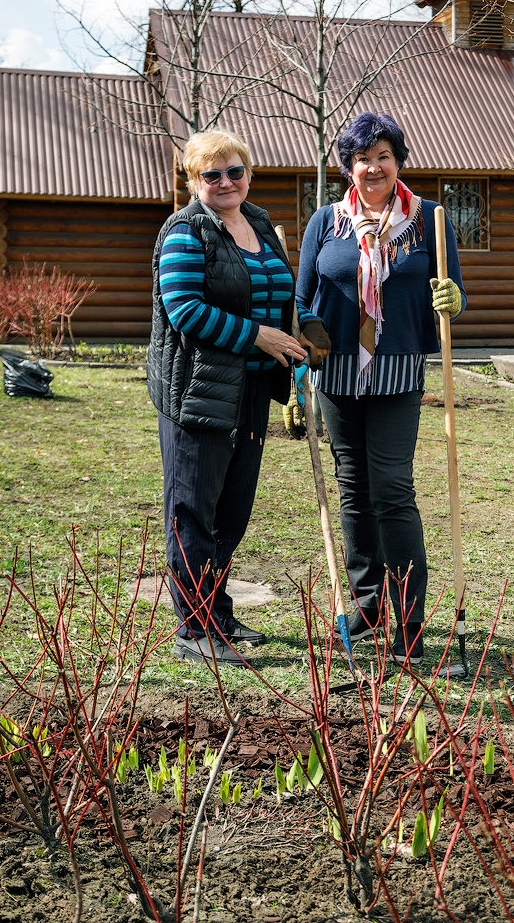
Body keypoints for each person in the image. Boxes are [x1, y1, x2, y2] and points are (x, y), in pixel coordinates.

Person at [147, 129, 330, 665]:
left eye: (235, 171)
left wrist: (300, 335)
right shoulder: (185, 232)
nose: (226, 182)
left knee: (233, 509)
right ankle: (194, 627)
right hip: (200, 389)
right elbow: (185, 311)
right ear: (193, 180)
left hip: (251, 388)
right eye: (212, 174)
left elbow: (280, 297)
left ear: (248, 174)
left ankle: (217, 611)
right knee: (193, 508)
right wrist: (257, 336)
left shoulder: (259, 223)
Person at [296, 113, 465, 665]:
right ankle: (368, 606)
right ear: (349, 166)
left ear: (398, 163)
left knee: (391, 489)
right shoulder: (326, 222)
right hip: (337, 374)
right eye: (362, 158)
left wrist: (452, 301)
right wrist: (302, 351)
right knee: (353, 491)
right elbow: (301, 299)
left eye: (383, 156)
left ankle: (409, 619)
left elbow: (453, 287)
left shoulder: (430, 220)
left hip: (396, 373)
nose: (373, 167)